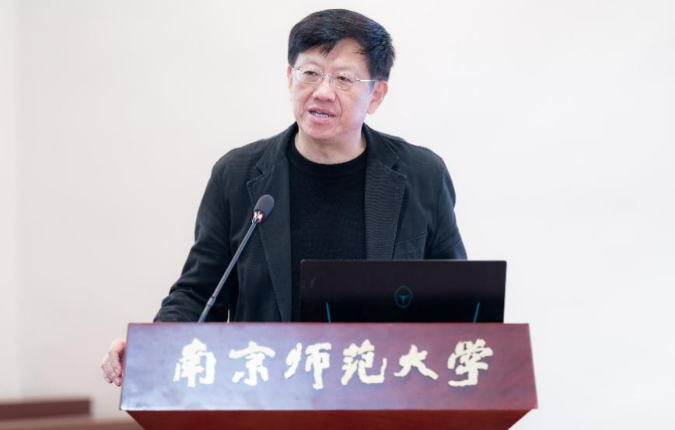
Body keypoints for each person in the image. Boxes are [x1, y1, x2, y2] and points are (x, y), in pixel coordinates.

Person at [101, 8, 466, 387]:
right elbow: (200, 292)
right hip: (267, 395)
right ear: (290, 78)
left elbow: (457, 302)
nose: (322, 92)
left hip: (385, 395)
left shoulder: (421, 175)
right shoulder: (237, 174)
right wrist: (151, 349)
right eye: (310, 73)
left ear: (376, 94)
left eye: (343, 78)